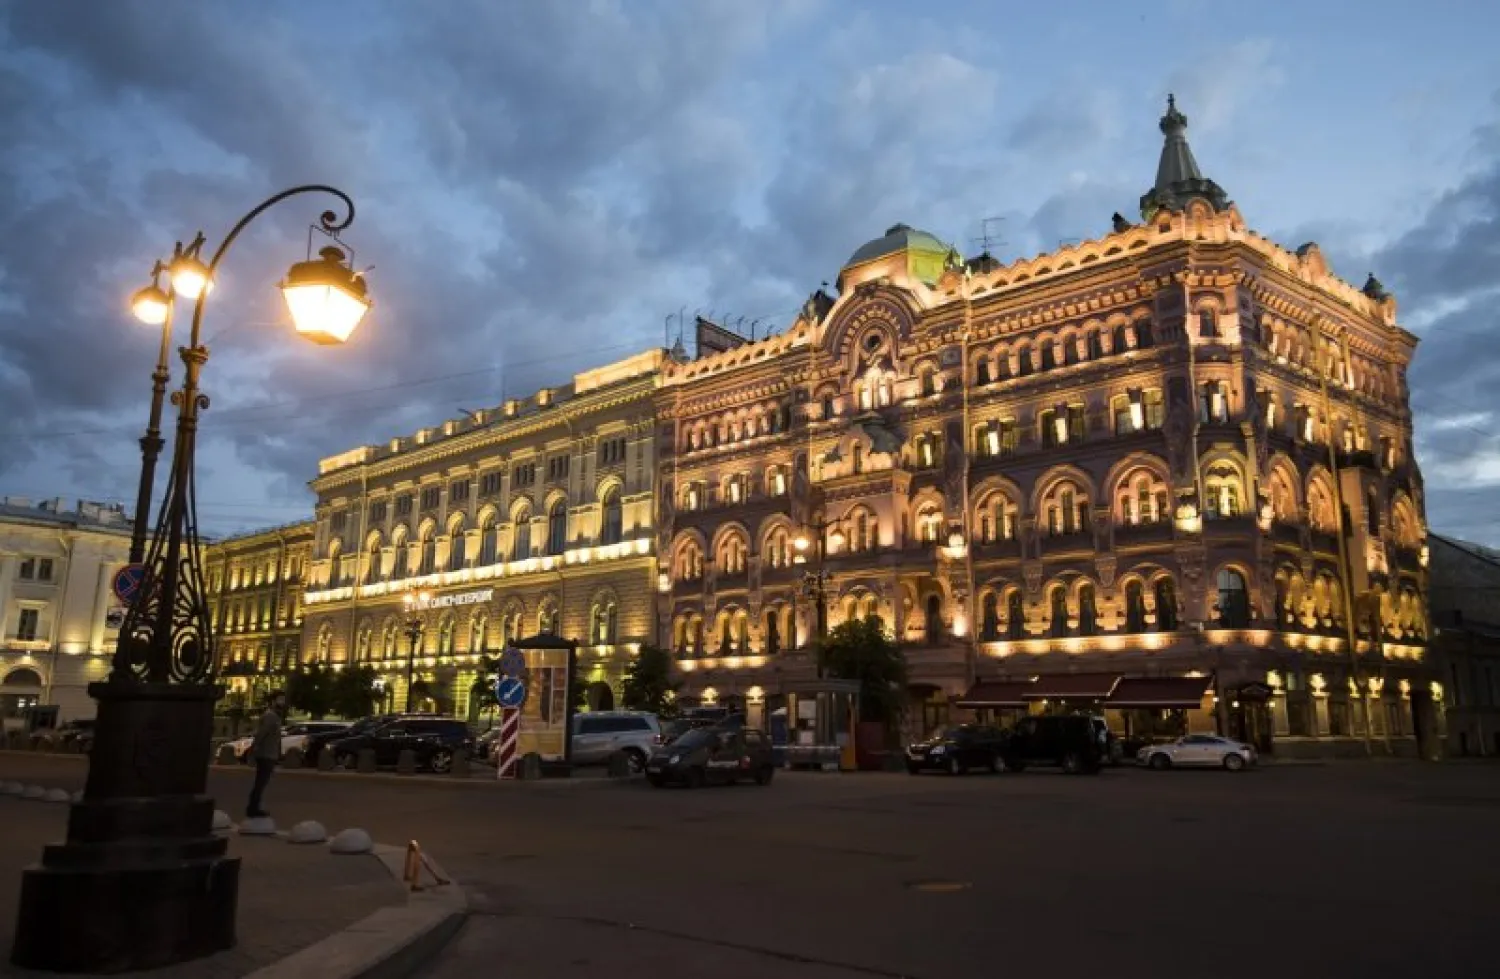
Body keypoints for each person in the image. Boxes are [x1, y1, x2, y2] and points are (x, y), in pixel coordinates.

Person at [246, 690, 286, 819]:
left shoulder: (276, 716)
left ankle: (254, 807)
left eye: (283, 699)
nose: (282, 702)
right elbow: (261, 734)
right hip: (265, 755)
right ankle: (253, 808)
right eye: (280, 699)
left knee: (262, 782)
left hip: (270, 754)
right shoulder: (270, 716)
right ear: (273, 701)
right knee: (261, 782)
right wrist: (253, 750)